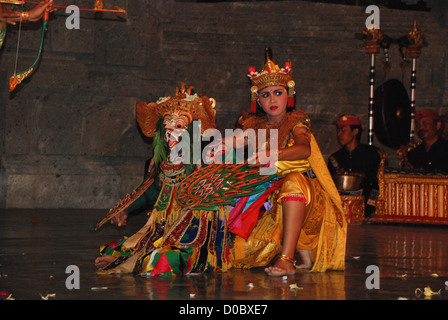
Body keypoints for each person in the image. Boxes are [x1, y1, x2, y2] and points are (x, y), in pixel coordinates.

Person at [231, 48, 347, 276]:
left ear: (289, 93)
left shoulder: (297, 119)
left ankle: (287, 259)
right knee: (239, 254)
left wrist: (273, 154)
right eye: (265, 95)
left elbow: (304, 149)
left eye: (278, 92)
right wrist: (219, 145)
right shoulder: (253, 123)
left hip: (302, 194)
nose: (272, 99)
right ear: (257, 99)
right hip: (268, 198)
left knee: (293, 181)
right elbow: (235, 140)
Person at [327, 114, 381, 217]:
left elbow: (377, 184)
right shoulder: (335, 158)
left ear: (355, 131)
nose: (339, 134)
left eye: (343, 130)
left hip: (367, 209)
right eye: (338, 130)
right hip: (340, 209)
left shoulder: (372, 154)